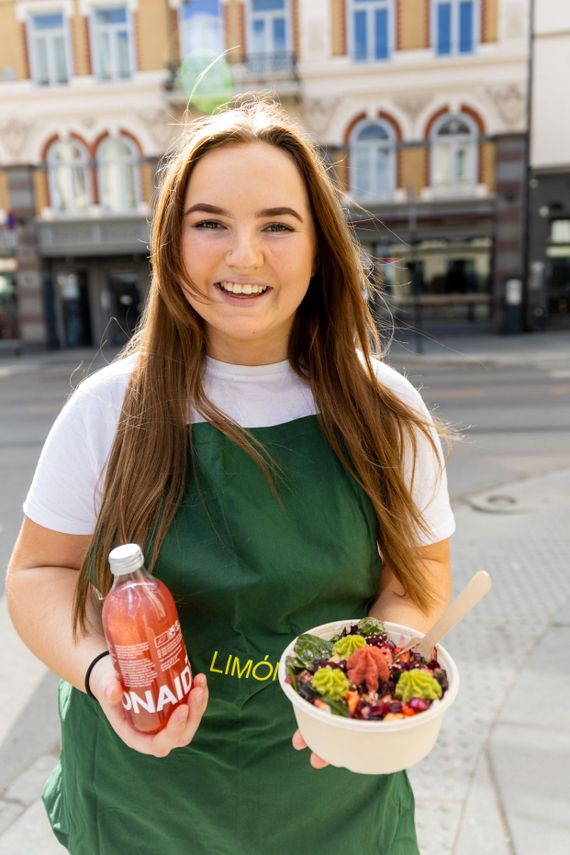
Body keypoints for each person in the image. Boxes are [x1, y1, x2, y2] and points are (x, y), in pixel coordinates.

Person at [7, 96, 455, 855]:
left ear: (320, 249)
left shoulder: (385, 407)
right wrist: (102, 675)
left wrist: (356, 692)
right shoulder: (107, 408)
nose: (243, 255)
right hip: (139, 805)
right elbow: (38, 573)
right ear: (170, 244)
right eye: (210, 222)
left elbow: (424, 573)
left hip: (331, 800)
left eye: (278, 225)